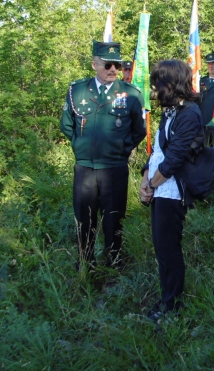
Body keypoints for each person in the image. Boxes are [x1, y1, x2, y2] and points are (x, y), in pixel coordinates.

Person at [60, 41, 145, 272]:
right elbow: (67, 125)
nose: (113, 69)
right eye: (107, 64)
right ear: (94, 65)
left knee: (113, 219)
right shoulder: (77, 91)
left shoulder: (131, 94)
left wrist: (121, 149)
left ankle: (114, 264)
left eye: (116, 65)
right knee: (84, 220)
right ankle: (85, 265)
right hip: (85, 169)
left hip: (114, 168)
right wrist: (81, 146)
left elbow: (140, 130)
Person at [140, 60, 204, 320]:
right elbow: (157, 150)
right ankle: (166, 300)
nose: (154, 90)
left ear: (172, 84)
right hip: (158, 187)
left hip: (172, 191)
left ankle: (172, 307)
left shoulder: (190, 113)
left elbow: (175, 157)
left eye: (158, 84)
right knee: (160, 248)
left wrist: (151, 186)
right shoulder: (170, 111)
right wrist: (145, 179)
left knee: (169, 249)